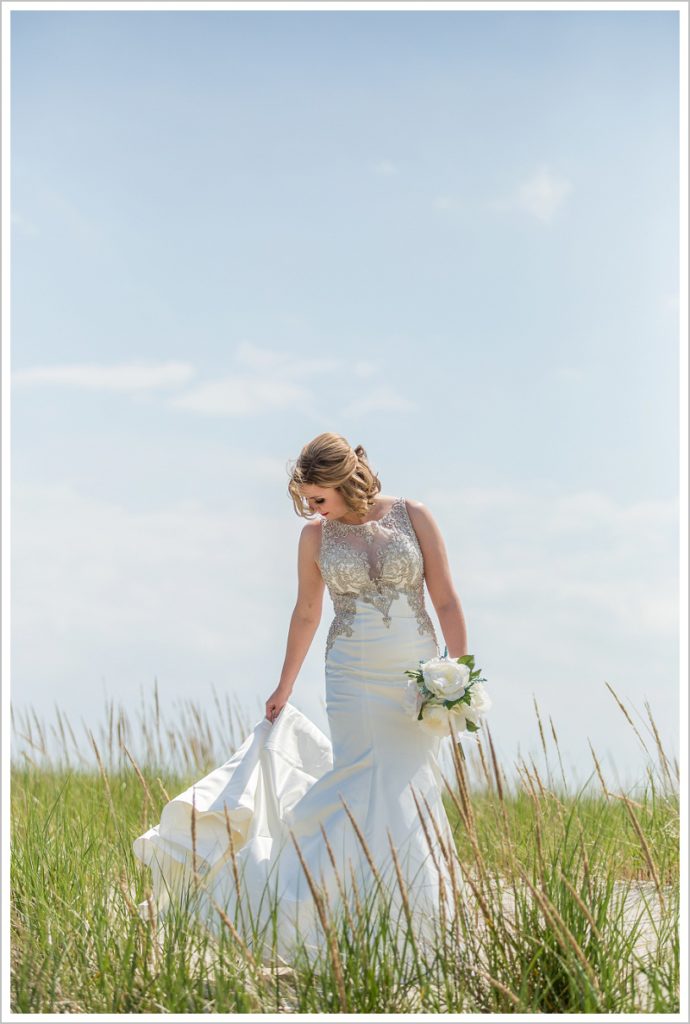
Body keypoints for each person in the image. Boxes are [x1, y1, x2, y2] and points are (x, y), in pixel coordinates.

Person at [132, 432, 470, 965]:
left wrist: (457, 671)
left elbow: (446, 597)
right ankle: (316, 910)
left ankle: (413, 929)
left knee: (410, 788)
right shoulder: (316, 538)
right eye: (308, 500)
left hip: (414, 676)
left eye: (318, 498)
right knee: (363, 780)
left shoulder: (415, 516)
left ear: (344, 481)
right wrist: (284, 685)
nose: (312, 509)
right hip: (353, 678)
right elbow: (307, 613)